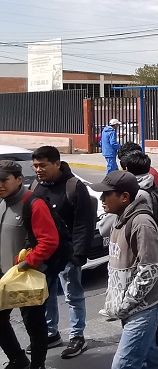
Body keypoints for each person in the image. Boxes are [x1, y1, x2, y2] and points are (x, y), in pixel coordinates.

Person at [91, 170, 158, 369]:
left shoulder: (141, 223)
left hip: (145, 306)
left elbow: (149, 270)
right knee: (150, 361)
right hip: (132, 307)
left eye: (107, 194)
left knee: (123, 365)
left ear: (125, 197)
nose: (102, 199)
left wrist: (125, 304)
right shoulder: (119, 218)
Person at [29, 145, 95, 359]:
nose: (39, 169)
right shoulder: (36, 185)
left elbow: (84, 223)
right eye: (36, 166)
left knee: (72, 295)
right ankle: (52, 332)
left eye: (43, 165)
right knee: (46, 295)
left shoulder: (74, 186)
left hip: (68, 253)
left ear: (57, 163)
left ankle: (77, 336)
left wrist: (78, 254)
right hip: (45, 253)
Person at [0, 161, 60, 369]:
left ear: (18, 179)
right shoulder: (1, 202)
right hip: (4, 276)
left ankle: (38, 364)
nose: (0, 184)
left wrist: (26, 263)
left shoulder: (33, 203)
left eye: (4, 180)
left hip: (27, 275)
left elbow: (49, 241)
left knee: (33, 325)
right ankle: (18, 358)